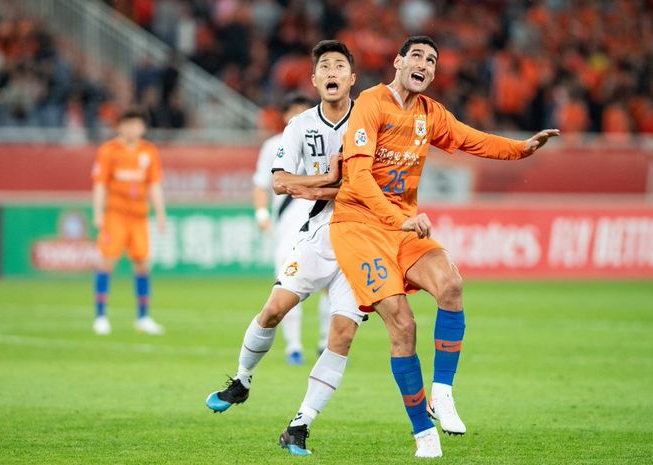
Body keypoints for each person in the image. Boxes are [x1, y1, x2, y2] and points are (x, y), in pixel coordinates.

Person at [330, 36, 560, 458]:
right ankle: (423, 433)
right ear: (398, 62)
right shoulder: (370, 103)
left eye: (431, 60)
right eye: (416, 55)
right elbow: (358, 177)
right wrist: (400, 218)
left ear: (434, 73)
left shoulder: (429, 113)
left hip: (402, 227)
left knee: (451, 285)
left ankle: (442, 392)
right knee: (403, 324)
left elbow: (472, 138)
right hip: (359, 227)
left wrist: (521, 149)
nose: (423, 63)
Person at [205, 41, 367, 456]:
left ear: (352, 78)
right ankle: (241, 380)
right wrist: (331, 184)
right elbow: (279, 182)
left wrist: (309, 182)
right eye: (324, 66)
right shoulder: (298, 128)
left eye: (340, 65)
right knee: (275, 308)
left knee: (342, 334)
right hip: (319, 234)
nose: (332, 71)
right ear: (315, 80)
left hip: (365, 239)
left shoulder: (370, 122)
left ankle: (299, 426)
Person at [252, 92, 331, 365]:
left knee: (329, 284)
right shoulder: (273, 145)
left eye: (303, 110)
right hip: (286, 227)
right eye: (292, 111)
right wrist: (262, 212)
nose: (297, 116)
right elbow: (262, 183)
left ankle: (324, 341)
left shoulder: (324, 142)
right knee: (286, 283)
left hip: (320, 221)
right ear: (284, 116)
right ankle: (294, 346)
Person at [91, 108, 167, 336]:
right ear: (120, 126)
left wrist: (161, 214)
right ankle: (101, 316)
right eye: (128, 124)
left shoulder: (149, 151)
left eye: (137, 124)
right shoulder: (108, 151)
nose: (133, 128)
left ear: (143, 127)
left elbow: (153, 185)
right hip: (115, 215)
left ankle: (143, 317)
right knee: (107, 262)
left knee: (143, 264)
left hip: (139, 217)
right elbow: (100, 184)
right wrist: (98, 213)